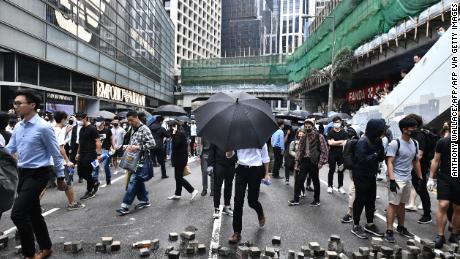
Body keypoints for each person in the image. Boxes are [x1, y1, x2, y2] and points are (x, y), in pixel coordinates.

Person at [6, 89, 66, 259]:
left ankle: (30, 254)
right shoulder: (19, 126)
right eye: (15, 103)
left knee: (18, 214)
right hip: (23, 173)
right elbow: (10, 149)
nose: (15, 106)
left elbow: (56, 154)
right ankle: (46, 248)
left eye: (19, 103)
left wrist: (61, 177)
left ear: (32, 105)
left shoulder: (44, 127)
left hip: (39, 174)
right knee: (33, 213)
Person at [384, 117, 424, 243]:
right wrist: (391, 180)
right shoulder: (395, 143)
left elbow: (416, 161)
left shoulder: (415, 143)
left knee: (402, 204)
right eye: (413, 127)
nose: (415, 129)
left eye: (416, 127)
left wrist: (420, 177)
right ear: (404, 129)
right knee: (393, 204)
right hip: (396, 178)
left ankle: (401, 227)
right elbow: (389, 162)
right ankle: (389, 230)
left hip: (407, 178)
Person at [227, 144, 271, 244]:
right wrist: (229, 150)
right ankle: (237, 232)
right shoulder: (238, 137)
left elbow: (265, 157)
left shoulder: (260, 139)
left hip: (256, 170)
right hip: (241, 169)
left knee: (252, 201)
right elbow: (230, 155)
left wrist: (266, 173)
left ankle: (260, 213)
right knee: (238, 201)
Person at [350, 119, 386, 239]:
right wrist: (376, 154)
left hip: (371, 175)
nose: (383, 132)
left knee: (371, 200)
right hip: (360, 175)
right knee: (360, 200)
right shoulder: (362, 141)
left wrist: (379, 154)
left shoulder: (377, 140)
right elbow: (362, 159)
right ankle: (356, 225)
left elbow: (381, 157)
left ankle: (369, 224)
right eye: (381, 129)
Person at [116, 110, 156, 215]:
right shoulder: (132, 128)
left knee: (133, 181)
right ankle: (145, 200)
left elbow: (152, 144)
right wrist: (128, 147)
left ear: (136, 117)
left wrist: (138, 147)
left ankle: (125, 205)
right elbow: (133, 142)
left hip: (141, 159)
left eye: (131, 120)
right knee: (138, 180)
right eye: (128, 120)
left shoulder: (144, 129)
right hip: (133, 159)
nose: (129, 122)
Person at [428, 132, 459, 248]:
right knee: (443, 204)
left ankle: (454, 234)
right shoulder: (443, 141)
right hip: (445, 177)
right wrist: (431, 177)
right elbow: (436, 160)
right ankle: (440, 235)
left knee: (458, 208)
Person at [50, 111, 85, 211]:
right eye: (66, 119)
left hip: (48, 161)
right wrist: (67, 160)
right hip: (59, 161)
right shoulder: (60, 131)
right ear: (62, 119)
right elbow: (61, 148)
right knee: (68, 183)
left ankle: (35, 206)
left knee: (42, 186)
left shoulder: (52, 129)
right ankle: (72, 204)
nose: (67, 121)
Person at [288, 119, 328, 206]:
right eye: (305, 127)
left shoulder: (319, 136)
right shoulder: (303, 137)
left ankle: (316, 200)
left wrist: (321, 162)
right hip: (304, 161)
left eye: (309, 127)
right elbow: (299, 150)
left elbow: (324, 150)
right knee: (299, 179)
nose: (307, 128)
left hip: (314, 161)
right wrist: (297, 161)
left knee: (315, 181)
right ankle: (296, 199)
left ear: (313, 126)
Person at [403, 114, 433, 224]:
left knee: (421, 189)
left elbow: (419, 155)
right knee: (419, 189)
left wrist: (408, 162)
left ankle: (427, 214)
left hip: (420, 166)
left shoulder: (420, 136)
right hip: (418, 166)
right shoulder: (419, 134)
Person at [168, 120, 199, 201]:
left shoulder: (179, 133)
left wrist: (174, 133)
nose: (169, 128)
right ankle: (177, 194)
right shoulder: (178, 133)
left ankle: (192, 190)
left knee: (178, 177)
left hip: (180, 159)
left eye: (170, 126)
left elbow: (176, 144)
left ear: (174, 126)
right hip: (179, 158)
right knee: (178, 177)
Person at [76, 112, 102, 200]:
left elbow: (98, 141)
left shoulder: (92, 129)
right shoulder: (81, 129)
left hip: (91, 154)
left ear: (85, 118)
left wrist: (99, 154)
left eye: (80, 119)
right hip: (82, 154)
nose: (78, 121)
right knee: (80, 172)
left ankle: (89, 191)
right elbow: (80, 142)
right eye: (78, 119)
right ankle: (94, 182)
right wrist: (78, 153)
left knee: (87, 172)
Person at [208, 143, 237, 218]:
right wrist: (210, 165)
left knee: (229, 186)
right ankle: (216, 208)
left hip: (231, 164)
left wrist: (234, 156)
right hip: (219, 164)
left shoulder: (235, 135)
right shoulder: (217, 134)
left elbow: (238, 150)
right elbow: (211, 151)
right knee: (217, 186)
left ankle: (227, 206)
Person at [326, 116, 348, 194]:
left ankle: (340, 186)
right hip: (332, 153)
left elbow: (345, 143)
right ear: (333, 123)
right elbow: (329, 143)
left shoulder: (344, 133)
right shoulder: (330, 132)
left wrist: (334, 142)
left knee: (341, 170)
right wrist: (340, 142)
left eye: (338, 122)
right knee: (331, 170)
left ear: (341, 123)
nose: (337, 124)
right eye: (335, 122)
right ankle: (329, 186)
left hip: (341, 154)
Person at [95, 117, 114, 185]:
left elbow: (111, 139)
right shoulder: (94, 130)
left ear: (103, 122)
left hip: (105, 150)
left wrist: (114, 148)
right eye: (96, 121)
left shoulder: (108, 130)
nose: (97, 122)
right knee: (95, 166)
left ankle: (108, 179)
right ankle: (95, 181)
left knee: (106, 165)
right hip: (96, 150)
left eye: (98, 121)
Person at [288, 129, 306, 197]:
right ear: (297, 134)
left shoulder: (306, 142)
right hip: (296, 162)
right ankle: (298, 192)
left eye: (302, 134)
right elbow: (290, 151)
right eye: (299, 134)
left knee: (302, 178)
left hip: (304, 162)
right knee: (296, 177)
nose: (301, 135)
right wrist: (297, 155)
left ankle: (302, 189)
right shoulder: (294, 142)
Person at [69, 113, 84, 183]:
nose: (79, 119)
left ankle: (81, 176)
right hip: (75, 146)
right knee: (71, 161)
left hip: (82, 147)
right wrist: (71, 148)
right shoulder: (74, 128)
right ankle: (70, 176)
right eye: (77, 118)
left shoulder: (85, 127)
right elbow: (72, 138)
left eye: (80, 118)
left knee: (80, 163)